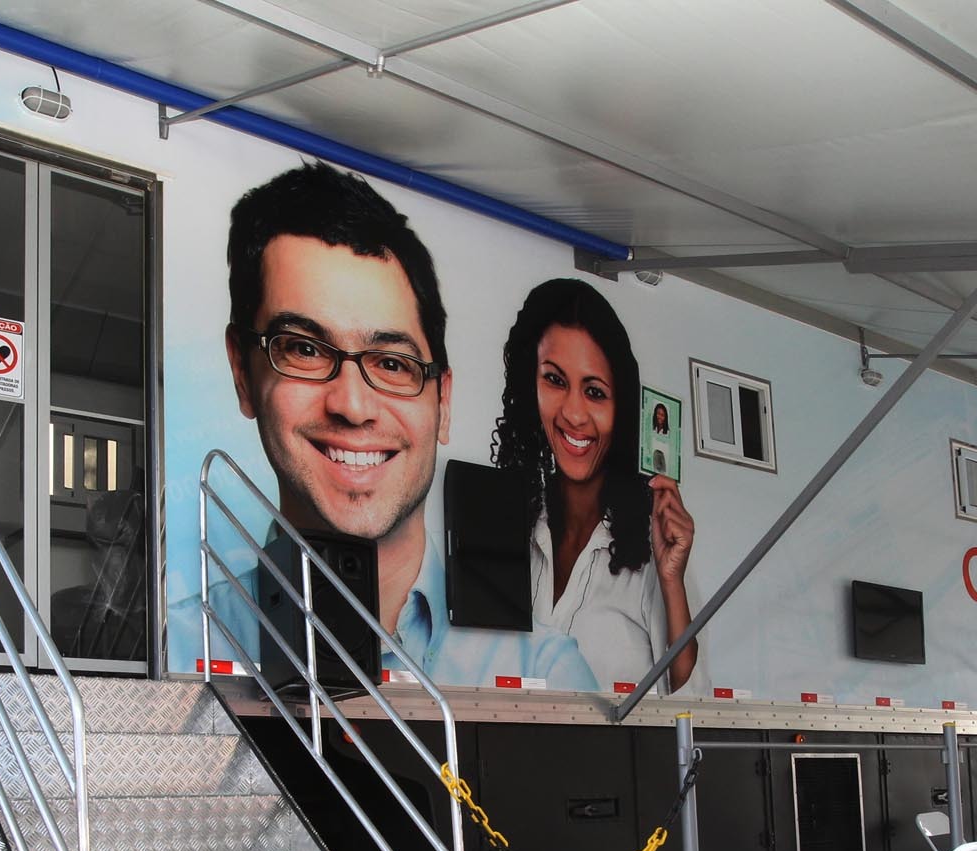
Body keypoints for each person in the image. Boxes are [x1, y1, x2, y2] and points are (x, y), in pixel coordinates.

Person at [177, 162, 592, 690]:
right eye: (304, 349)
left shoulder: (547, 671)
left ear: (443, 401)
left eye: (392, 363)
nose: (352, 404)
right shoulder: (187, 645)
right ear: (242, 372)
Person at [491, 278, 700, 693]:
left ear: (620, 408)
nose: (574, 413)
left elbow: (683, 682)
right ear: (528, 387)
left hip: (624, 757)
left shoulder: (652, 540)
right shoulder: (512, 529)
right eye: (555, 380)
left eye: (594, 392)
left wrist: (672, 578)